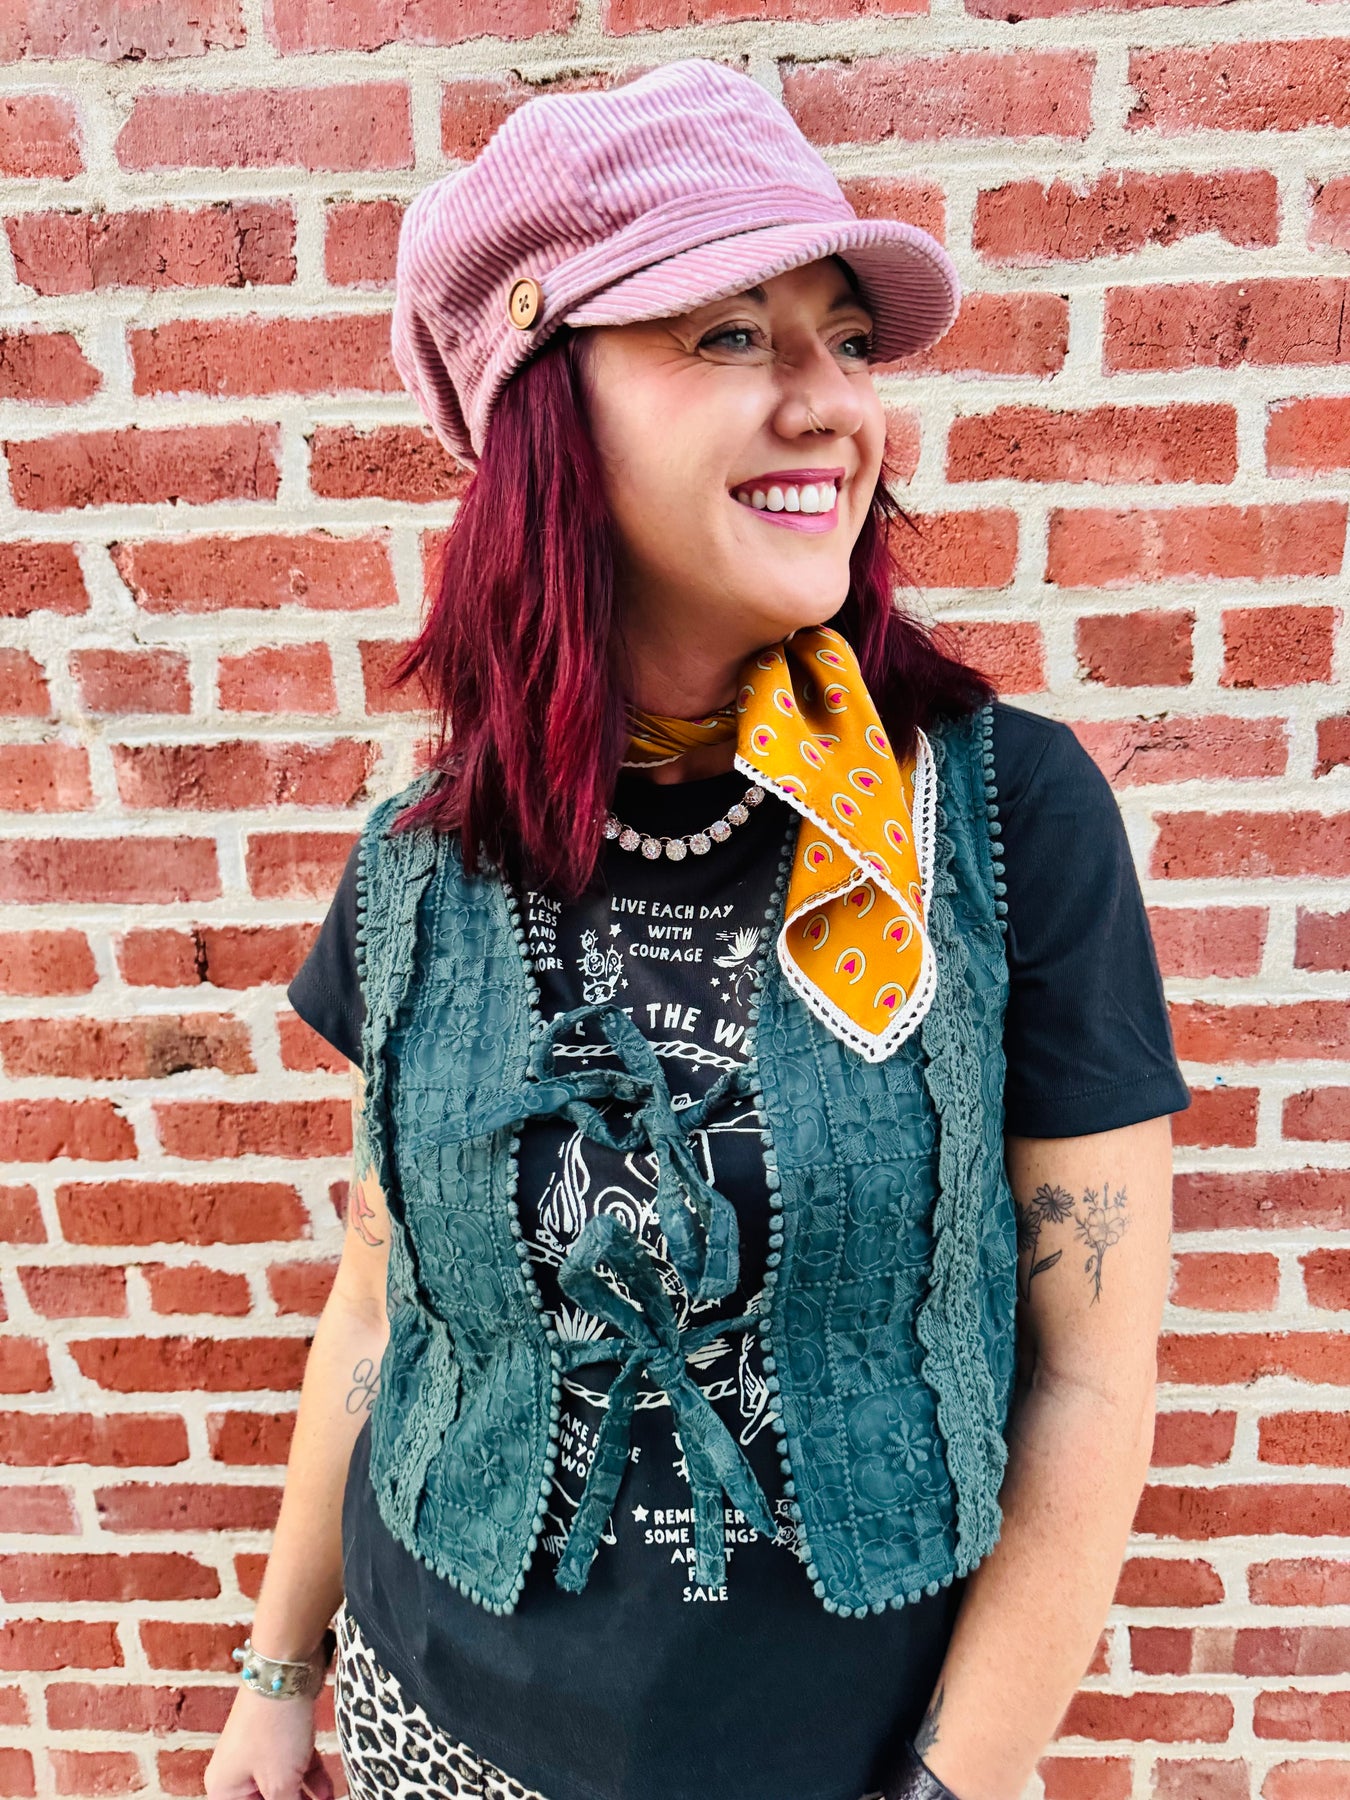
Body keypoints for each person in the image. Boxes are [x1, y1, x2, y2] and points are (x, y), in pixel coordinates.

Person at [202, 59, 1189, 1800]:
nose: (830, 403)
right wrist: (278, 1673)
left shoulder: (1001, 821)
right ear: (544, 417)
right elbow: (376, 1299)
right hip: (433, 1723)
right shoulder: (422, 865)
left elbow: (1092, 1374)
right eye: (729, 335)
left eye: (845, 339)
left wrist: (951, 1784)